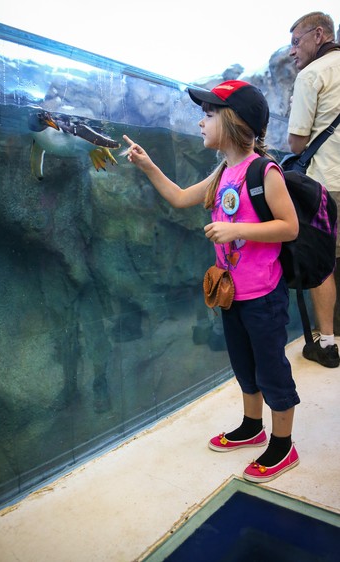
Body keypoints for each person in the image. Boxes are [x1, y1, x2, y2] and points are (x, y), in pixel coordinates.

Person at [123, 79, 301, 483]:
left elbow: (289, 227)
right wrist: (148, 164)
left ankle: (283, 443)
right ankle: (252, 426)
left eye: (208, 115)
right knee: (244, 364)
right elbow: (182, 197)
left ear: (234, 121)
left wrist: (235, 228)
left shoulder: (264, 171)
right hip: (231, 294)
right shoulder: (223, 172)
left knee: (271, 368)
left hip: (264, 295)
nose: (201, 123)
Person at [288, 11, 340, 368]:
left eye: (296, 42)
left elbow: (296, 143)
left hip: (327, 184)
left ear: (318, 34)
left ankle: (327, 342)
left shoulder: (312, 74)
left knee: (324, 262)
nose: (292, 51)